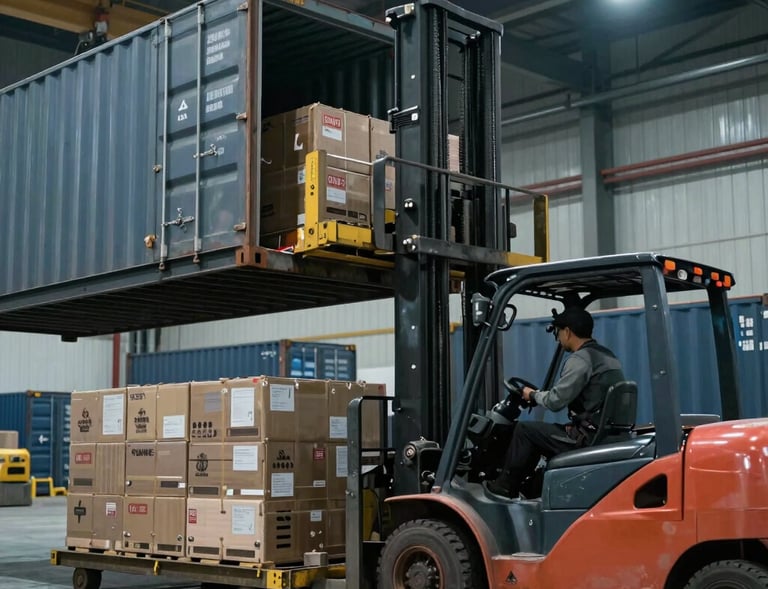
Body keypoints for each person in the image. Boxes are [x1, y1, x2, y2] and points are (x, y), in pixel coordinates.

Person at [485, 306, 625, 499]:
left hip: (587, 438)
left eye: (558, 332)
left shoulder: (581, 359)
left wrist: (532, 395)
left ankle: (505, 486)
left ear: (567, 331)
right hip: (603, 432)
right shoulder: (607, 355)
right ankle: (530, 487)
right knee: (538, 433)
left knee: (525, 430)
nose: (558, 338)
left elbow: (556, 401)